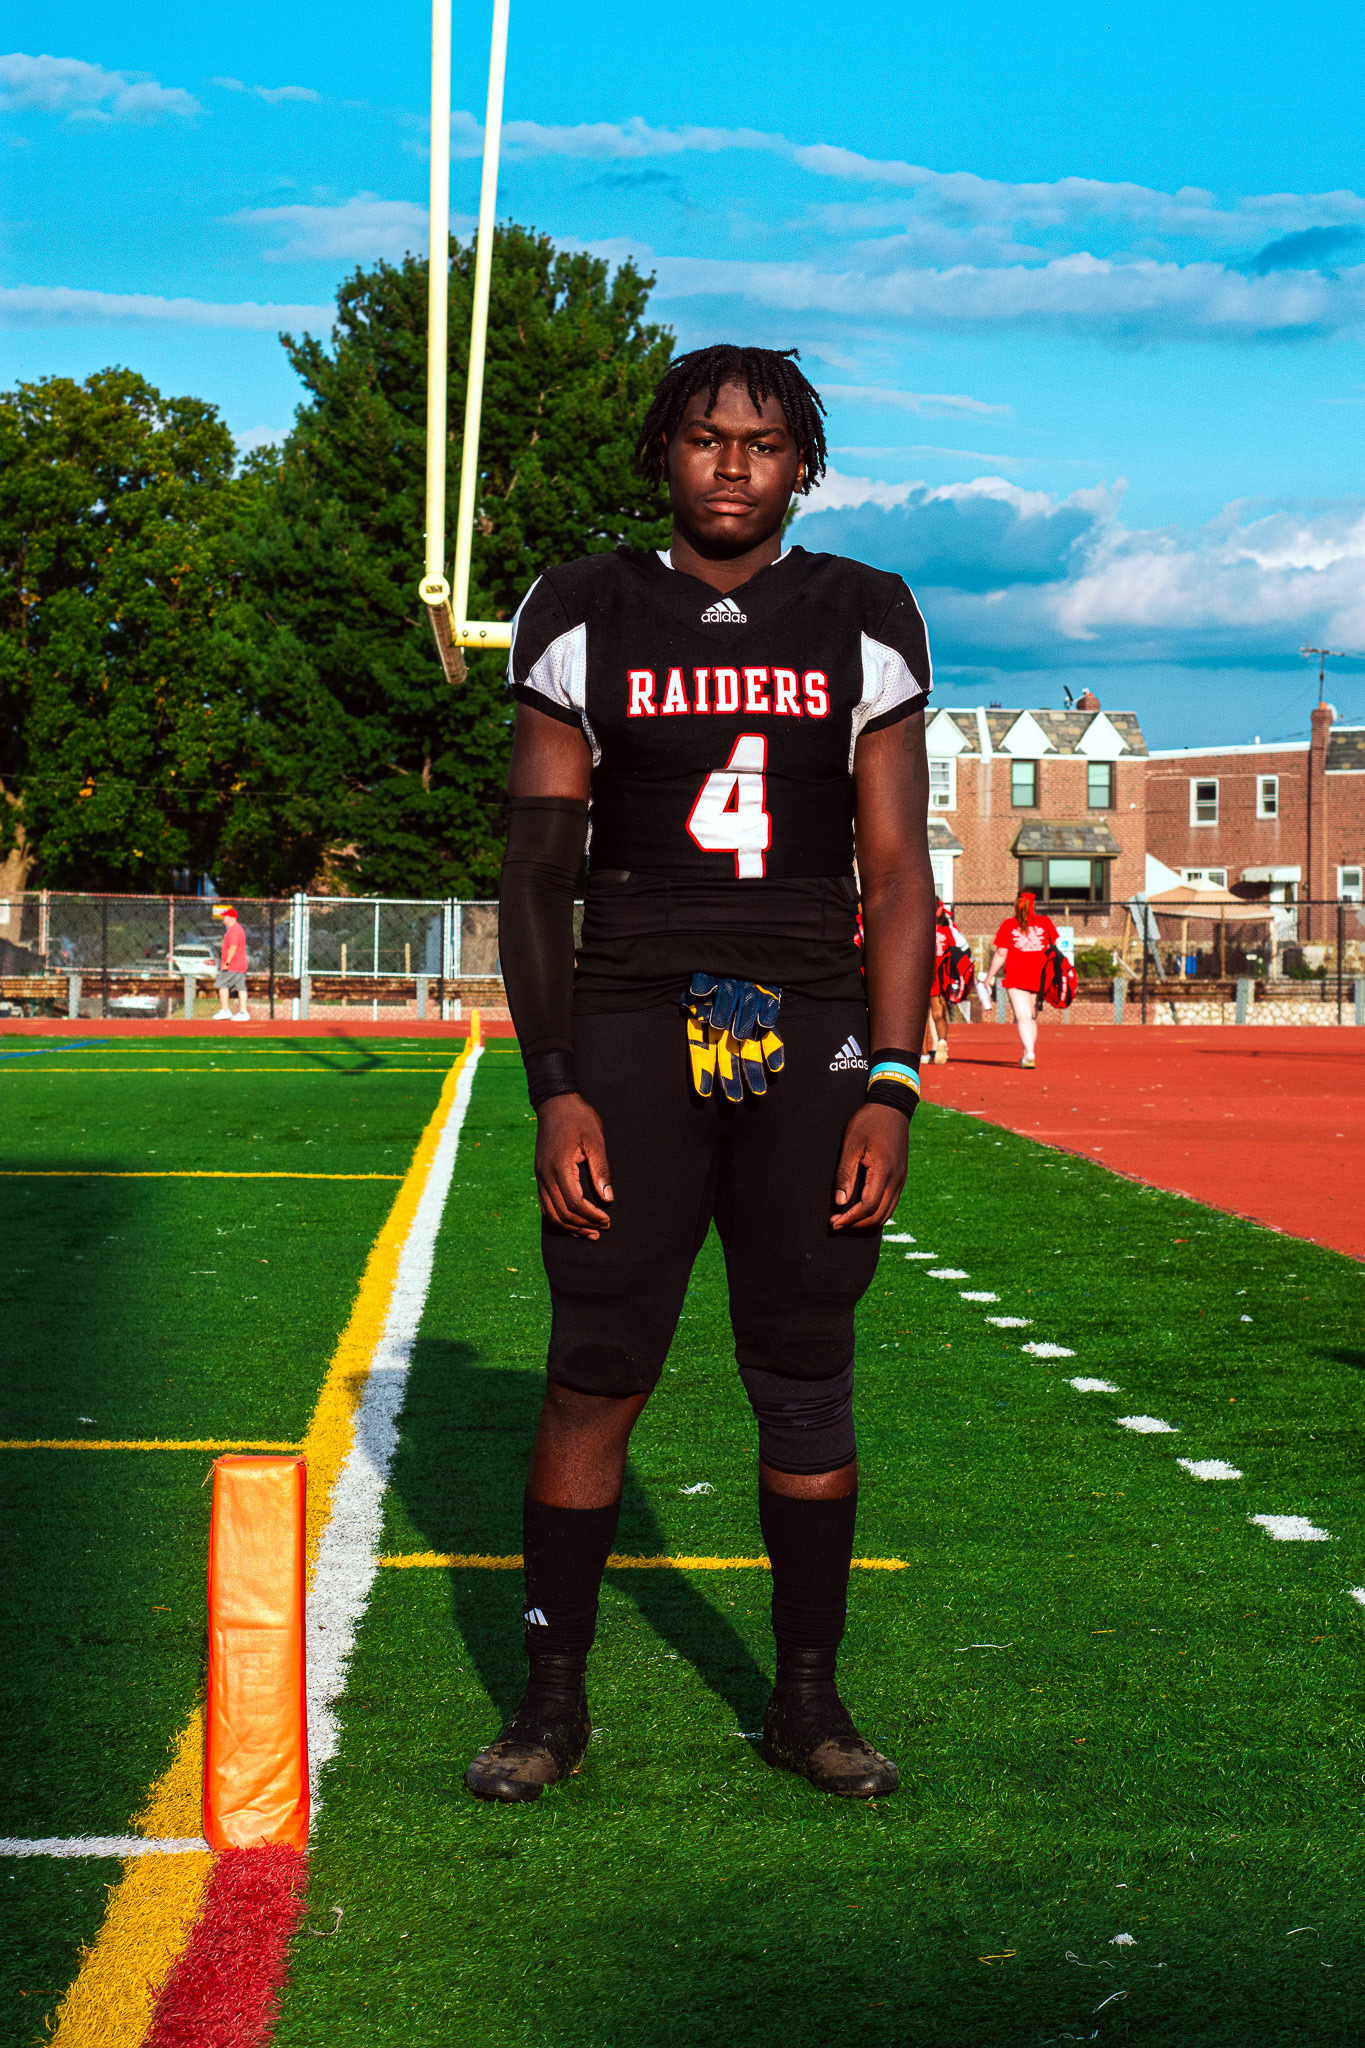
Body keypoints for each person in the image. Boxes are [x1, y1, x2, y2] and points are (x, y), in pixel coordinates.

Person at [467, 344, 937, 1807]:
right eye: (705, 437)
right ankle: (551, 1702)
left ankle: (808, 1701)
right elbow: (535, 873)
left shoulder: (862, 611)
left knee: (803, 1365)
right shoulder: (582, 604)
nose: (733, 464)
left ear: (805, 465)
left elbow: (896, 870)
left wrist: (894, 1080)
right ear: (663, 452)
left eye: (764, 441)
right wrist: (554, 1081)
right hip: (628, 1010)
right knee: (596, 1363)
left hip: (808, 1015)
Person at [982, 890, 1057, 1068]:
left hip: (1016, 975)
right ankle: (1027, 1053)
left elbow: (1001, 953)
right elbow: (1051, 948)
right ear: (1034, 904)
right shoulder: (1045, 922)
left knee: (1023, 1016)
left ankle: (1029, 1052)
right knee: (1031, 1016)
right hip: (1040, 975)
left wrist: (989, 976)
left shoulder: (1009, 924)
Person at [924, 898, 971, 1064]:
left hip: (922, 974)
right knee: (939, 1014)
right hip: (940, 975)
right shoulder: (945, 931)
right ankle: (942, 1041)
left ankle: (923, 1054)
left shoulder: (919, 928)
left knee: (921, 1017)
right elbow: (953, 952)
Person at [211, 905, 250, 1022]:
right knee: (241, 987)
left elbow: (233, 948)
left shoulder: (234, 930)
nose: (223, 919)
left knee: (222, 984)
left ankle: (225, 1010)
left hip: (232, 965)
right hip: (240, 965)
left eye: (225, 917)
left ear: (232, 918)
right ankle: (243, 1012)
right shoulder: (238, 929)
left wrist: (227, 963)